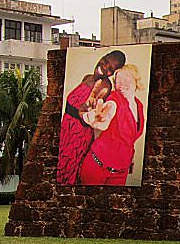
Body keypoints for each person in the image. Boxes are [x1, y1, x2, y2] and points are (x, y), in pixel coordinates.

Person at [56, 50, 126, 185]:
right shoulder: (87, 78)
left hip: (78, 136)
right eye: (105, 61)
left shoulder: (104, 86)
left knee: (68, 174)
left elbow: (88, 111)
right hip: (66, 130)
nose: (105, 67)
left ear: (112, 73)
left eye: (110, 68)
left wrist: (88, 107)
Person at [78, 64, 146, 186]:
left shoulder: (139, 105)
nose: (121, 84)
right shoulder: (115, 98)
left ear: (136, 81)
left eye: (125, 79)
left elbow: (129, 139)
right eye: (118, 81)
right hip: (97, 167)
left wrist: (130, 158)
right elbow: (110, 107)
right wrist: (98, 118)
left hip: (120, 172)